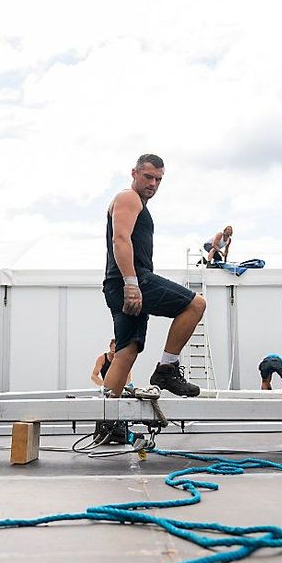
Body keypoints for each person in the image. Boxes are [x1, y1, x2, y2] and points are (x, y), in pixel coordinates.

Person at [101, 154, 206, 401]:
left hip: (118, 284)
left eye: (158, 179)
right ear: (134, 173)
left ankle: (107, 421)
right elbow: (120, 238)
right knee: (196, 304)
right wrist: (132, 283)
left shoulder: (137, 203)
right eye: (148, 177)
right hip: (132, 280)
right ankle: (166, 370)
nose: (153, 184)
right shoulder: (129, 198)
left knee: (126, 351)